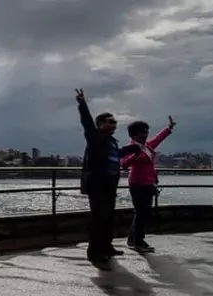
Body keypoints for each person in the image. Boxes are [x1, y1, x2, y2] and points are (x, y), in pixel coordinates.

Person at [75, 88, 140, 263]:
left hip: (110, 186)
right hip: (97, 185)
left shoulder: (111, 142)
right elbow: (87, 123)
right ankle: (95, 251)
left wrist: (133, 148)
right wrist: (82, 104)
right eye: (110, 121)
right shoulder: (95, 137)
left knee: (109, 218)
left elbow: (117, 154)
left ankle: (107, 247)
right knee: (98, 218)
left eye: (115, 122)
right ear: (100, 124)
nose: (114, 124)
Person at [121, 117, 176, 252]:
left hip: (147, 183)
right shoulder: (131, 148)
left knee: (141, 212)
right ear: (134, 135)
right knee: (141, 213)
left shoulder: (148, 146)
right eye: (142, 132)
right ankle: (138, 242)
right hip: (137, 183)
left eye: (146, 131)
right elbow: (123, 164)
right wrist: (135, 156)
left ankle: (132, 239)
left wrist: (168, 128)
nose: (146, 134)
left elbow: (158, 138)